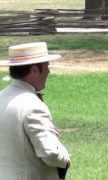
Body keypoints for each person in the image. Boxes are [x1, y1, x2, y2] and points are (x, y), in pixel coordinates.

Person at [0, 42, 70, 180]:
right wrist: (65, 157)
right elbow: (50, 153)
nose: (49, 71)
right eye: (46, 66)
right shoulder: (33, 106)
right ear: (34, 70)